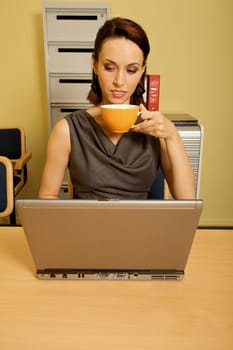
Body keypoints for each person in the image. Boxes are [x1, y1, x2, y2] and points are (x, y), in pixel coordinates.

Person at [39, 17, 195, 200]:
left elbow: (187, 201)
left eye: (131, 70)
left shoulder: (155, 130)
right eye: (109, 67)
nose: (119, 81)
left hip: (140, 227)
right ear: (95, 65)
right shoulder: (66, 130)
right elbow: (47, 197)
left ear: (142, 70)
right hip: (86, 227)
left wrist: (173, 136)